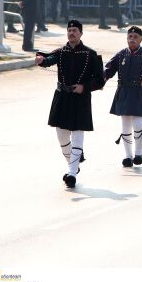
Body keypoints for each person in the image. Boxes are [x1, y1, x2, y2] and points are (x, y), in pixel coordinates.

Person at [36, 20, 106, 188]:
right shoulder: (61, 52)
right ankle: (73, 164)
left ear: (81, 33)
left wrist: (84, 87)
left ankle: (72, 174)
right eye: (69, 30)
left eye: (75, 30)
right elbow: (49, 59)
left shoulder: (91, 54)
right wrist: (40, 60)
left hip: (80, 99)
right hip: (62, 97)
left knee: (77, 135)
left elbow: (100, 81)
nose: (72, 33)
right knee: (61, 135)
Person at [104, 26, 142, 168]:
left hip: (140, 92)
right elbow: (108, 70)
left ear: (141, 39)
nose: (132, 39)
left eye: (135, 37)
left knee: (138, 124)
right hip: (124, 92)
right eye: (130, 37)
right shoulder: (121, 54)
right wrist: (101, 80)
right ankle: (128, 156)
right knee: (125, 126)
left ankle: (138, 153)